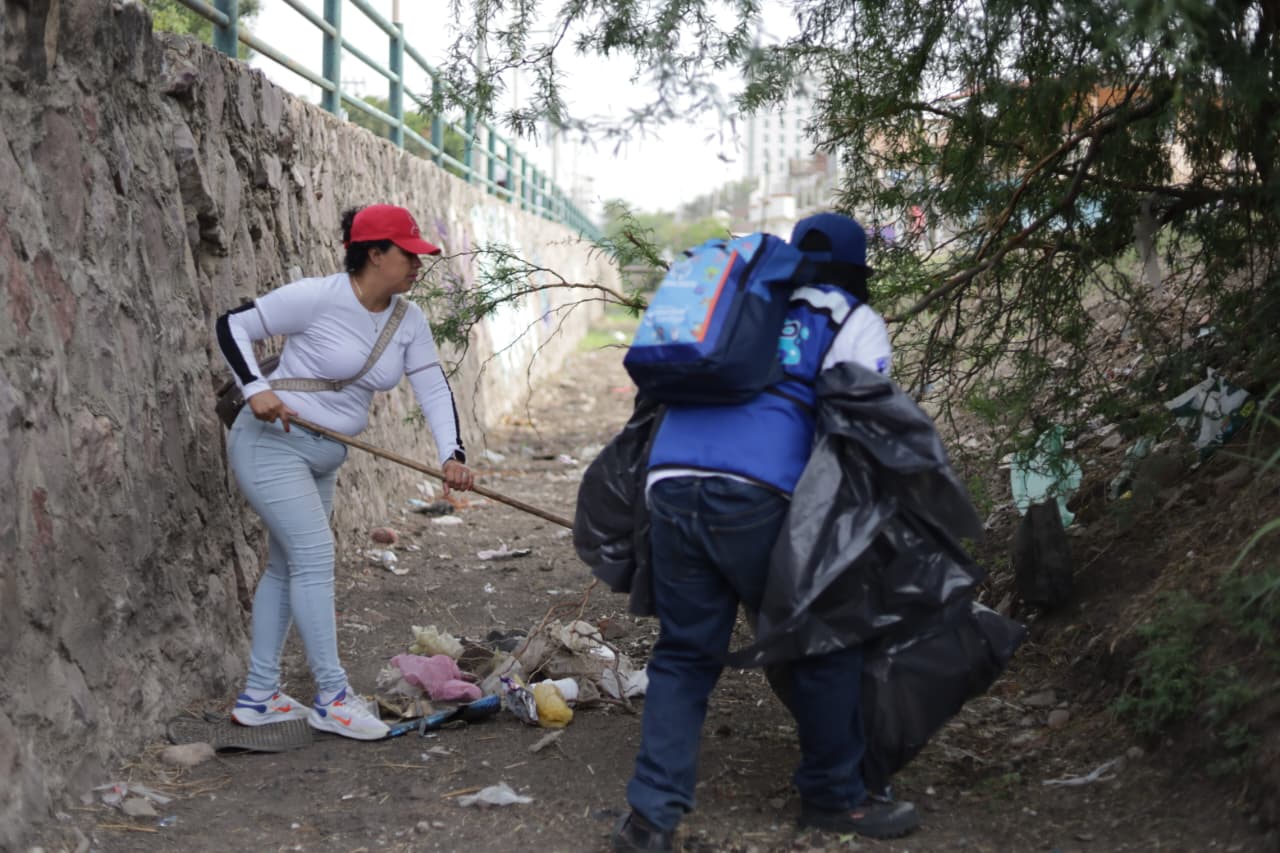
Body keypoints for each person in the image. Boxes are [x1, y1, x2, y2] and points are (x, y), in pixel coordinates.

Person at [609, 212, 920, 851]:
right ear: (860, 268)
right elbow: (862, 430)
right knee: (823, 640)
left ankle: (649, 820)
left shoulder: (740, 296)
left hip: (669, 482)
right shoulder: (848, 316)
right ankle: (835, 798)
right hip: (756, 493)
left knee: (684, 655)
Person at [214, 203, 474, 741]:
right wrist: (255, 389)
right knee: (314, 557)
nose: (417, 265)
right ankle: (332, 698)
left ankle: (259, 697)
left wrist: (453, 453)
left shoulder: (409, 319)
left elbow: (431, 386)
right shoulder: (318, 297)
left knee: (287, 569)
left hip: (325, 454)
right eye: (409, 255)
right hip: (271, 443)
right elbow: (231, 324)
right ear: (374, 254)